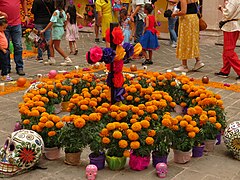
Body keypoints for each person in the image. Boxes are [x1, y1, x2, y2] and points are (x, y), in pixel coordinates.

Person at [172, 0, 204, 72]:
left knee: (184, 40)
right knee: (193, 40)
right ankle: (198, 61)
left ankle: (184, 65)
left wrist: (175, 14)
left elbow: (184, 11)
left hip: (186, 20)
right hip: (194, 19)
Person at [0, 0, 29, 76]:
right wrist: (1, 13)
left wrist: (26, 15)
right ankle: (6, 67)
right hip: (4, 24)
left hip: (16, 23)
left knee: (18, 45)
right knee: (5, 46)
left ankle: (19, 67)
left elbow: (24, 2)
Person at [41, 0, 72, 66]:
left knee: (57, 47)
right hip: (59, 29)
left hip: (56, 29)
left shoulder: (56, 12)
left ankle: (67, 59)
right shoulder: (63, 12)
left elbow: (51, 22)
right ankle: (52, 59)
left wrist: (44, 30)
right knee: (50, 44)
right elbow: (65, 21)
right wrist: (63, 28)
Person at [215, 0, 240, 80]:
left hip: (231, 27)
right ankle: (225, 71)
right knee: (227, 50)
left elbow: (228, 14)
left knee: (229, 51)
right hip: (233, 25)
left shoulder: (233, 0)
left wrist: (221, 8)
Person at [0, 16, 12, 81]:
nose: (5, 29)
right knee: (4, 63)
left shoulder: (2, 32)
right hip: (2, 50)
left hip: (5, 49)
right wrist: (3, 49)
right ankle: (4, 75)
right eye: (4, 27)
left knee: (6, 62)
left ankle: (4, 74)